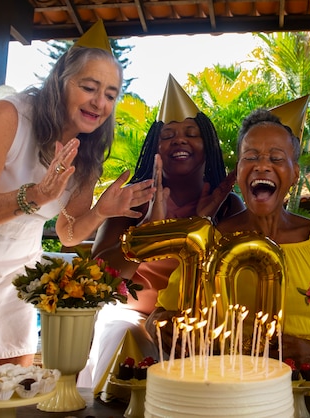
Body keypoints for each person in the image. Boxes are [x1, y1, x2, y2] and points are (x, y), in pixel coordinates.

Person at [0, 20, 155, 415]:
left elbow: (68, 233)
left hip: (14, 265)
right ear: (59, 82)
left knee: (22, 380)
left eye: (111, 94)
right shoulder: (7, 117)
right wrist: (36, 195)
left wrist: (101, 211)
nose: (99, 103)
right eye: (89, 87)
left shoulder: (88, 151)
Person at [146, 98, 310, 396]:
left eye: (275, 158)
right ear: (239, 170)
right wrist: (162, 328)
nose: (262, 166)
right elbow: (160, 315)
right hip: (230, 391)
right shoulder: (211, 240)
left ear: (295, 174)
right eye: (251, 157)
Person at [76, 74, 244, 397]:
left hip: (200, 322)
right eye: (168, 135)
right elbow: (96, 281)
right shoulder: (128, 202)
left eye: (191, 134)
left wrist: (201, 225)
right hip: (132, 317)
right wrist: (144, 237)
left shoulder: (228, 207)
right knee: (123, 333)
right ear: (155, 149)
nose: (179, 141)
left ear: (207, 148)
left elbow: (231, 278)